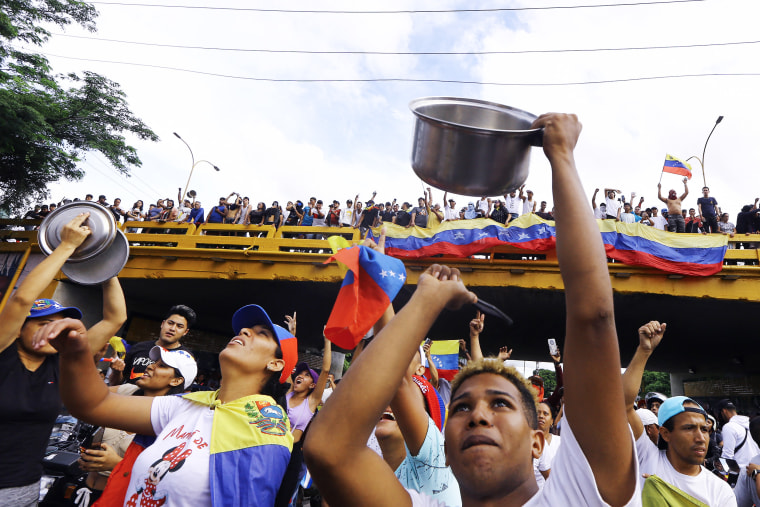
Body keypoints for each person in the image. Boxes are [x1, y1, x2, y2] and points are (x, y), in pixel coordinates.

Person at [304, 113, 639, 506]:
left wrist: (561, 156)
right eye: (461, 408)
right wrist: (426, 300)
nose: (478, 416)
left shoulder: (580, 495)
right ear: (444, 450)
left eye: (500, 403)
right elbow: (329, 452)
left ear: (537, 443)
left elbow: (593, 317)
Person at [34, 303, 298, 507]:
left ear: (276, 364)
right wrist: (75, 352)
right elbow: (93, 405)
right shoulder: (187, 405)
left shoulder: (266, 430)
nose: (244, 331)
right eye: (244, 329)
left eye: (261, 334)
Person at [0, 212, 127, 506]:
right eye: (42, 323)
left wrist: (104, 259)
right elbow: (20, 301)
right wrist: (66, 247)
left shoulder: (62, 363)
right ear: (19, 330)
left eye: (59, 324)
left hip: (24, 489)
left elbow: (115, 317)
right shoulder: (3, 351)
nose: (52, 330)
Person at [622, 320, 736, 505]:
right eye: (689, 428)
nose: (700, 438)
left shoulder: (720, 490)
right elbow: (623, 403)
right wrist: (644, 352)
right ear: (665, 434)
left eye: (704, 429)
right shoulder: (648, 457)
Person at [80, 347, 198, 506]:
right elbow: (86, 396)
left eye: (161, 366)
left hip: (119, 499)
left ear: (176, 381)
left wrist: (118, 464)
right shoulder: (128, 391)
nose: (150, 366)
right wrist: (90, 361)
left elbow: (165, 475)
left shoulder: (173, 422)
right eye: (153, 362)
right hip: (84, 490)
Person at [109, 305, 196, 385]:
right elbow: (116, 384)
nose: (172, 328)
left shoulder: (186, 357)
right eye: (170, 323)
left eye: (179, 326)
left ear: (185, 332)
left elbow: (185, 392)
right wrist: (116, 372)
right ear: (163, 324)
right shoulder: (139, 347)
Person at [715, 399, 760, 468]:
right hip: (755, 469)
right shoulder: (750, 424)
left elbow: (727, 455)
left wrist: (723, 472)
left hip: (739, 472)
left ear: (723, 411)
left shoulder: (729, 427)